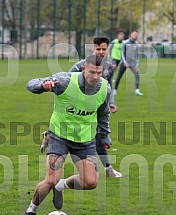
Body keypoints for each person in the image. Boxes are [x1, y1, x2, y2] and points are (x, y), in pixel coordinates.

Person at [23, 55, 112, 215]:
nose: (95, 77)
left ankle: (61, 185)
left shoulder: (104, 88)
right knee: (50, 179)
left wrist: (105, 135)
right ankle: (31, 210)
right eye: (92, 72)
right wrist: (42, 86)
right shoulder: (64, 81)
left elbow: (103, 113)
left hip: (85, 140)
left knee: (91, 182)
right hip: (59, 136)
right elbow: (31, 84)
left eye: (99, 73)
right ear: (84, 69)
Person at [41, 37, 122, 178]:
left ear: (108, 49)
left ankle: (108, 168)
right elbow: (67, 81)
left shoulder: (108, 67)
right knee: (95, 136)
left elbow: (108, 87)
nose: (101, 52)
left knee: (99, 136)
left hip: (95, 105)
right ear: (93, 48)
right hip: (78, 106)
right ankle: (108, 168)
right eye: (98, 49)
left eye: (104, 49)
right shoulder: (81, 65)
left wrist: (111, 102)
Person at [113, 30, 143, 96]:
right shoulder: (125, 42)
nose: (135, 36)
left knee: (137, 75)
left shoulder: (136, 45)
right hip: (124, 63)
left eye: (136, 35)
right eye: (134, 34)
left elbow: (137, 56)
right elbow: (122, 53)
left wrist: (137, 64)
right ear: (131, 34)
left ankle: (137, 91)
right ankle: (115, 90)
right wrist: (124, 62)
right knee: (119, 77)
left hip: (132, 64)